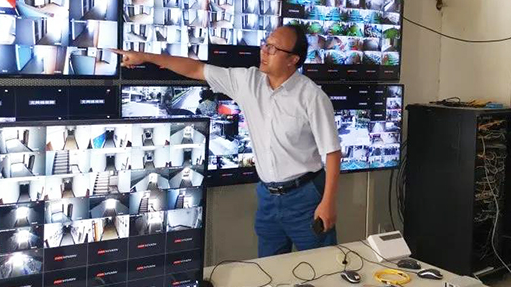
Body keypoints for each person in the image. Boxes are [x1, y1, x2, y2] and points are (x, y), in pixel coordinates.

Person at [114, 25, 342, 257]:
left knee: (322, 264)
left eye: (273, 48)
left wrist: (328, 203)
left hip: (305, 197)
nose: (264, 51)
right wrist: (145, 57)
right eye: (265, 44)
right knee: (269, 267)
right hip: (268, 197)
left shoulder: (311, 96)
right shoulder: (248, 81)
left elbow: (333, 152)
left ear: (293, 59)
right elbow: (196, 69)